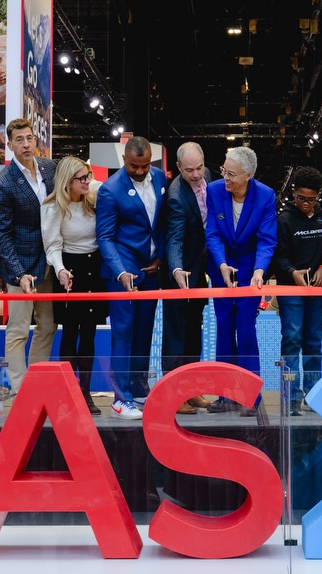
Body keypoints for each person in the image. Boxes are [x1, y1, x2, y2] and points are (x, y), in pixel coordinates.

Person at [95, 135, 168, 419]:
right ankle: (120, 399)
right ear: (123, 160)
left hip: (150, 269)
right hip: (123, 272)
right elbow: (104, 237)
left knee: (144, 332)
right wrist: (120, 271)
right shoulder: (110, 190)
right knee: (123, 333)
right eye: (134, 166)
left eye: (145, 166)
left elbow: (160, 224)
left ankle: (138, 389)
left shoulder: (159, 178)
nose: (139, 171)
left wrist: (160, 256)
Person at [203, 145, 277, 415]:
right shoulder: (214, 191)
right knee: (224, 329)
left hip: (249, 273)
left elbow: (267, 240)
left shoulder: (265, 196)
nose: (226, 178)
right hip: (221, 269)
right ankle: (225, 396)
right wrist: (221, 264)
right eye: (224, 170)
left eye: (232, 174)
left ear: (248, 175)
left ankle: (250, 398)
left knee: (246, 330)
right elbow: (213, 233)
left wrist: (259, 271)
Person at [0, 118, 57, 397]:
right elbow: (1, 236)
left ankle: (36, 384)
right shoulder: (2, 184)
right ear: (10, 144)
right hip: (20, 268)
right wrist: (18, 273)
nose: (26, 144)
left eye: (29, 138)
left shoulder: (50, 168)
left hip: (49, 262)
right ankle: (19, 390)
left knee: (48, 326)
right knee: (18, 330)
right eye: (19, 140)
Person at [41, 156, 106, 415]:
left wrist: (90, 179)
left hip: (94, 268)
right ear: (67, 182)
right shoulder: (53, 207)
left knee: (89, 333)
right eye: (81, 178)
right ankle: (68, 393)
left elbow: (107, 186)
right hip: (69, 269)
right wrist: (60, 270)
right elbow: (52, 245)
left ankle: (86, 392)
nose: (87, 181)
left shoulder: (93, 197)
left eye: (88, 176)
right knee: (69, 332)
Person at [273, 166, 322, 415]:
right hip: (290, 288)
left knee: (313, 342)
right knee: (292, 340)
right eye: (301, 198)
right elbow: (277, 257)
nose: (306, 204)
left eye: (311, 199)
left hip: (315, 289)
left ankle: (314, 394)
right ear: (293, 192)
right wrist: (292, 272)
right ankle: (291, 396)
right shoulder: (284, 219)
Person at [165, 142, 212, 414]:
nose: (195, 175)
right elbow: (174, 239)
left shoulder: (209, 177)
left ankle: (191, 390)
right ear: (178, 168)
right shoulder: (176, 196)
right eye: (189, 170)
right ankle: (173, 395)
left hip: (200, 270)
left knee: (194, 332)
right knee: (176, 336)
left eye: (199, 168)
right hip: (180, 273)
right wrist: (176, 269)